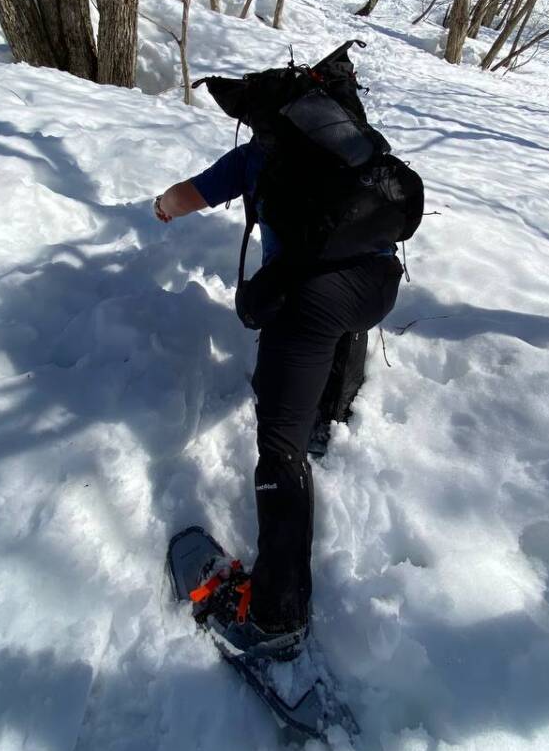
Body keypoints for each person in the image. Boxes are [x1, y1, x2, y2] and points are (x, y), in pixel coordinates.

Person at [155, 138, 403, 661]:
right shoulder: (351, 140)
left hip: (313, 299)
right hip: (379, 286)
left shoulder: (261, 152)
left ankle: (275, 617)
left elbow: (183, 198)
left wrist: (162, 207)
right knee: (335, 320)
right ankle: (328, 413)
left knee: (279, 448)